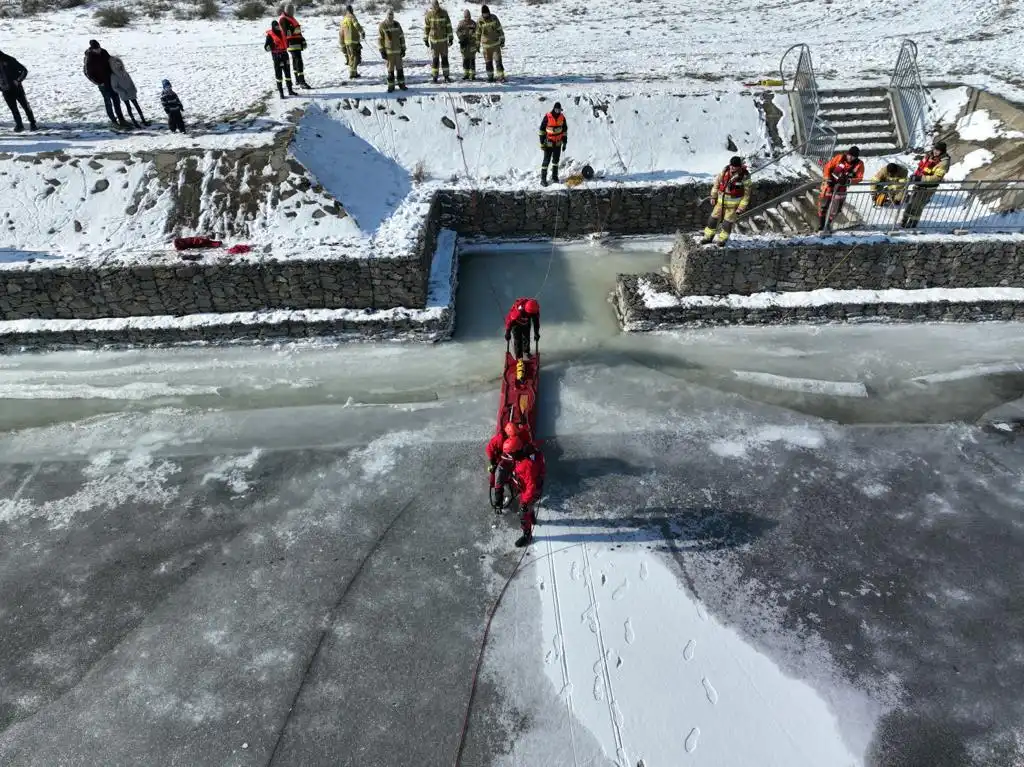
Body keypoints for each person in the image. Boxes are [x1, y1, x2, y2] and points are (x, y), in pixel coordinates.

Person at [501, 436, 544, 547]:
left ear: (516, 452)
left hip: (530, 492)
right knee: (529, 508)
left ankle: (527, 535)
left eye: (510, 453)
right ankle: (532, 517)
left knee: (523, 513)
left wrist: (525, 502)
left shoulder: (527, 466)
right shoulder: (522, 457)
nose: (509, 456)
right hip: (527, 488)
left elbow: (531, 486)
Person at [701, 155, 752, 246]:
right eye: (731, 165)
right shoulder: (724, 172)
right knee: (712, 220)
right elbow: (716, 185)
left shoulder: (745, 176)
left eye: (735, 166)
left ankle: (722, 240)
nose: (732, 167)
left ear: (739, 166)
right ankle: (708, 237)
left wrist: (741, 208)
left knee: (727, 224)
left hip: (733, 207)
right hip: (720, 203)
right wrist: (713, 197)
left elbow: (746, 194)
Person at [901, 141, 951, 229]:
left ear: (942, 151)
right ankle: (904, 219)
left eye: (938, 150)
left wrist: (920, 179)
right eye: (935, 149)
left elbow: (936, 178)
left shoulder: (944, 163)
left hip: (928, 187)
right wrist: (915, 176)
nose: (935, 152)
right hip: (918, 184)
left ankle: (913, 222)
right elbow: (920, 167)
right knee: (910, 203)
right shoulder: (928, 156)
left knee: (917, 206)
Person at [818, 145, 864, 232]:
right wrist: (828, 178)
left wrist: (849, 181)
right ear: (847, 154)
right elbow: (827, 167)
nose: (850, 158)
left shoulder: (859, 164)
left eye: (853, 156)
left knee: (836, 209)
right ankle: (821, 224)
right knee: (823, 205)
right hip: (829, 184)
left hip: (841, 188)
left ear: (856, 157)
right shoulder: (839, 158)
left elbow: (859, 177)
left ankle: (828, 224)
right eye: (849, 155)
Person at [83, 39, 127, 127]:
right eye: (96, 49)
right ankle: (113, 120)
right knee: (108, 102)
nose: (98, 50)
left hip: (111, 80)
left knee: (116, 100)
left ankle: (121, 119)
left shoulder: (104, 52)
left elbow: (111, 62)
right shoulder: (89, 58)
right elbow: (87, 73)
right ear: (92, 49)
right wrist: (98, 83)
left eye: (99, 48)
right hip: (102, 83)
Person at [0, 49, 35, 132]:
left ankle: (33, 123)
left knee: (25, 106)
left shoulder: (8, 59)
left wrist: (18, 80)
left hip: (17, 88)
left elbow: (24, 70)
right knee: (13, 109)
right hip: (5, 90)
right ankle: (19, 125)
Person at [109, 55, 148, 128]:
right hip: (124, 94)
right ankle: (134, 121)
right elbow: (115, 87)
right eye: (117, 64)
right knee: (128, 107)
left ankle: (143, 119)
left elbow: (131, 81)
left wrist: (134, 88)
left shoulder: (125, 73)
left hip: (131, 92)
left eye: (119, 63)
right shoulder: (113, 76)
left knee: (137, 106)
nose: (119, 65)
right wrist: (122, 92)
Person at [278, 4, 310, 88]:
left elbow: (298, 31)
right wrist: (293, 30)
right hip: (291, 43)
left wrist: (303, 40)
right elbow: (286, 32)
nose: (292, 12)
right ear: (287, 10)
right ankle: (301, 81)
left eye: (293, 10)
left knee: (296, 61)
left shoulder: (291, 18)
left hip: (297, 42)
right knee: (298, 61)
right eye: (291, 10)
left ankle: (298, 80)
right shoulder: (283, 19)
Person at [424, 0, 453, 84]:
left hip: (443, 42)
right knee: (435, 60)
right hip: (434, 43)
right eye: (434, 6)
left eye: (437, 5)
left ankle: (446, 76)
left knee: (444, 59)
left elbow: (448, 26)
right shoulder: (429, 15)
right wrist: (425, 39)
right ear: (432, 6)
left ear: (438, 5)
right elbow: (427, 28)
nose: (435, 7)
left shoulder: (444, 13)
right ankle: (434, 77)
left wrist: (450, 38)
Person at [538, 102, 567, 186]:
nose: (557, 111)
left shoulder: (562, 117)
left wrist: (565, 143)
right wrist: (542, 143)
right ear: (554, 109)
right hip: (548, 143)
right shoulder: (548, 116)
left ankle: (554, 177)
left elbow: (564, 131)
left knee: (555, 161)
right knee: (546, 161)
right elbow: (541, 130)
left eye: (559, 109)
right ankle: (543, 179)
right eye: (556, 109)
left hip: (558, 143)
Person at [378, 9, 407, 93]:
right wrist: (382, 51)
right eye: (389, 15)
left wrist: (403, 49)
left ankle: (402, 85)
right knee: (390, 70)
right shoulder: (382, 25)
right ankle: (391, 86)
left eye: (391, 15)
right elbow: (380, 39)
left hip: (398, 52)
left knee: (400, 69)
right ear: (386, 15)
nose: (390, 16)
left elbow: (401, 37)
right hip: (389, 53)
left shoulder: (397, 24)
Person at [266, 20, 296, 98]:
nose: (277, 27)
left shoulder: (282, 33)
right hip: (277, 57)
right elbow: (266, 47)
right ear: (273, 27)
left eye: (278, 26)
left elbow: (289, 34)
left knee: (288, 73)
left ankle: (290, 90)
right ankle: (281, 93)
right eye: (276, 26)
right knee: (279, 75)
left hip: (284, 55)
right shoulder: (270, 35)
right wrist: (271, 46)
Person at [476, 4, 505, 83]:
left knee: (498, 61)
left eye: (487, 13)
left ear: (489, 12)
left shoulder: (494, 18)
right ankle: (490, 77)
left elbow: (500, 29)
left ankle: (501, 76)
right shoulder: (480, 21)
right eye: (484, 14)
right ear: (482, 14)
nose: (486, 15)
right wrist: (477, 45)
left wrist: (502, 40)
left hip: (495, 44)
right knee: (488, 63)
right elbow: (478, 34)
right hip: (486, 46)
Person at [339, 5, 365, 79]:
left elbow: (341, 32)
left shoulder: (344, 19)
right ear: (351, 10)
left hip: (346, 41)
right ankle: (353, 74)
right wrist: (362, 32)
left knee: (351, 57)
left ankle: (354, 72)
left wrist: (342, 43)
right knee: (356, 57)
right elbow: (356, 24)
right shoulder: (352, 17)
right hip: (353, 40)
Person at [456, 9, 477, 81]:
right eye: (465, 16)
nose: (467, 18)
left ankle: (472, 74)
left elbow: (477, 33)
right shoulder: (461, 23)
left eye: (468, 16)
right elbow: (457, 31)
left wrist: (473, 37)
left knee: (472, 60)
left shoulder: (473, 23)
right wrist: (462, 38)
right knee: (465, 60)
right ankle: (466, 74)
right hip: (464, 45)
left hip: (472, 45)